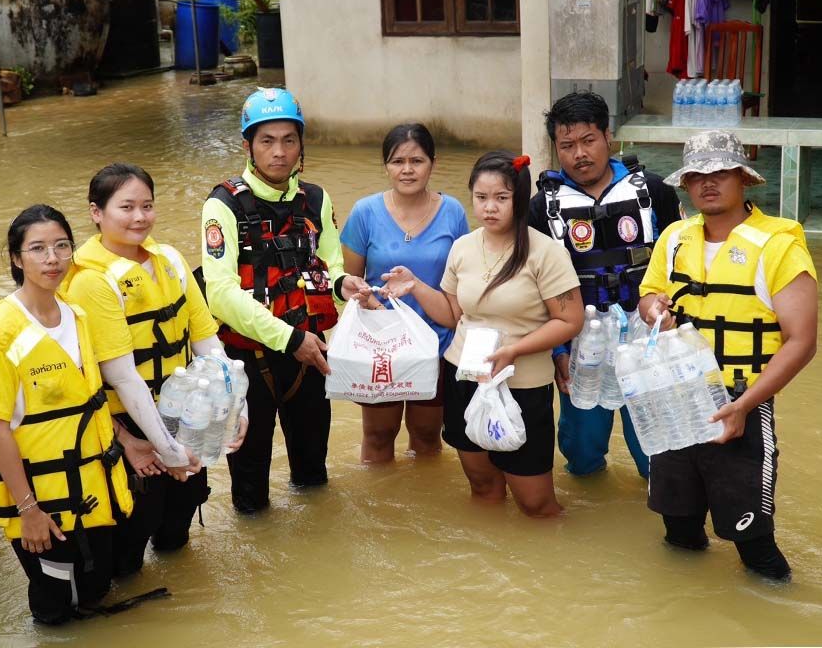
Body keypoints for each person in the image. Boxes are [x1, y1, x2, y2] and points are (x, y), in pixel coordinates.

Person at [639, 130, 818, 580]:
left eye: (720, 172)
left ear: (743, 177)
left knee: (753, 543)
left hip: (740, 402)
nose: (708, 183)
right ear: (685, 184)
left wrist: (744, 404)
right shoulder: (675, 238)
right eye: (697, 175)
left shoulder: (779, 245)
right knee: (678, 530)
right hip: (677, 399)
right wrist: (652, 307)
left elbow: (802, 341)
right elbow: (648, 296)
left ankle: (778, 617)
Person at [62, 163, 246, 577]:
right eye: (126, 207)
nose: (140, 217)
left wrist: (237, 409)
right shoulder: (92, 281)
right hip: (128, 421)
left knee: (179, 523)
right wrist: (165, 449)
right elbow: (123, 378)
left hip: (182, 411)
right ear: (96, 213)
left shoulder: (171, 261)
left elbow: (207, 343)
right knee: (132, 535)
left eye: (147, 205)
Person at [382, 151, 583, 517]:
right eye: (481, 197)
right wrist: (415, 286)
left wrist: (514, 350)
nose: (490, 207)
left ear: (519, 199)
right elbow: (453, 314)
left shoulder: (546, 252)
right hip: (465, 376)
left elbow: (569, 321)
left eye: (501, 198)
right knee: (484, 488)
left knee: (535, 503)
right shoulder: (463, 247)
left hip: (521, 384)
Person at [200, 87, 372, 514]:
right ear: (248, 145)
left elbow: (328, 265)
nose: (279, 152)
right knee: (250, 490)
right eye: (267, 141)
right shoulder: (222, 205)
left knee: (314, 476)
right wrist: (290, 339)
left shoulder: (315, 199)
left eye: (289, 140)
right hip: (250, 361)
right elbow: (220, 293)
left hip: (310, 358)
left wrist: (344, 286)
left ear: (301, 144)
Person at [0, 205, 134, 624]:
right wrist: (29, 511)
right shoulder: (3, 333)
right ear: (17, 259)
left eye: (61, 246)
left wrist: (130, 442)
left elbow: (86, 402)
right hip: (42, 502)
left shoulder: (77, 317)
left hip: (93, 486)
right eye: (38, 248)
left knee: (95, 589)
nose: (52, 258)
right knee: (54, 608)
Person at [529, 91, 683, 479]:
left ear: (607, 136)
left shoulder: (653, 192)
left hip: (645, 338)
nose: (579, 153)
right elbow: (535, 287)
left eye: (588, 140)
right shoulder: (541, 208)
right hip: (583, 343)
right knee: (581, 455)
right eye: (567, 145)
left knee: (656, 456)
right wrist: (558, 349)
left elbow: (682, 263)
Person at [340, 123, 470, 463]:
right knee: (379, 435)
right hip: (382, 345)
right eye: (398, 161)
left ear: (433, 163)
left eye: (417, 160)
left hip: (437, 343)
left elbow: (462, 283)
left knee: (427, 436)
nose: (407, 170)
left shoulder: (453, 212)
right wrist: (368, 298)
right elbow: (350, 282)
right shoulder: (365, 213)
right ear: (386, 166)